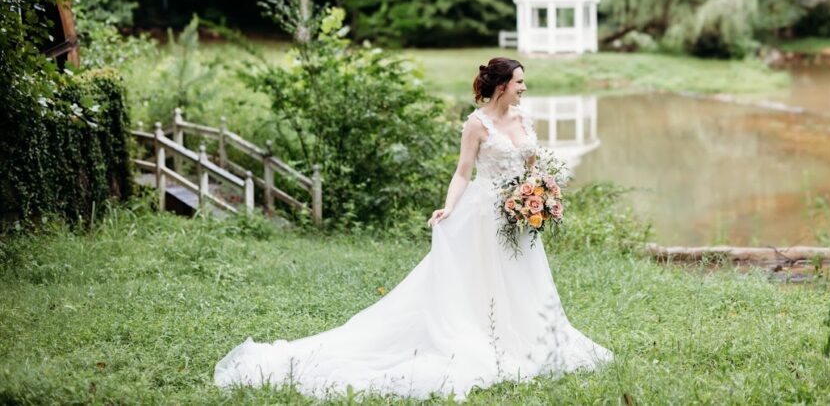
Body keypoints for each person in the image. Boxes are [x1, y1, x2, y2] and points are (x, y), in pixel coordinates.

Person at [214, 57, 612, 400]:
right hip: (485, 213)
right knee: (484, 280)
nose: (525, 88)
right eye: (520, 81)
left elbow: (531, 165)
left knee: (524, 277)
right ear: (503, 86)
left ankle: (532, 340)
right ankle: (488, 339)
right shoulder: (476, 124)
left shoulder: (525, 117)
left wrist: (539, 191)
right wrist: (448, 207)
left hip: (522, 215)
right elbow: (462, 173)